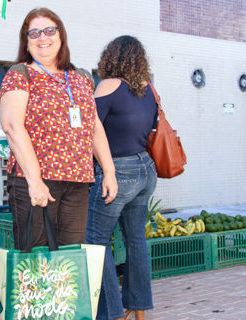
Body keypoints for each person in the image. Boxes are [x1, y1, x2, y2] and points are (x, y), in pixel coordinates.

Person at [0, 7, 117, 249]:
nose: (43, 37)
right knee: (36, 261)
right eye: (34, 33)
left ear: (61, 36)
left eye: (50, 30)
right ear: (26, 41)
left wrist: (109, 171)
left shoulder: (81, 77)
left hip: (78, 180)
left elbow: (94, 126)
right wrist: (35, 181)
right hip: (37, 180)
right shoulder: (20, 74)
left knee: (70, 260)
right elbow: (11, 126)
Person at [85, 35, 158, 320]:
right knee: (136, 240)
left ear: (111, 57)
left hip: (117, 171)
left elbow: (89, 127)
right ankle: (138, 310)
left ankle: (111, 312)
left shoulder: (108, 84)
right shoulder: (149, 88)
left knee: (97, 240)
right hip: (145, 168)